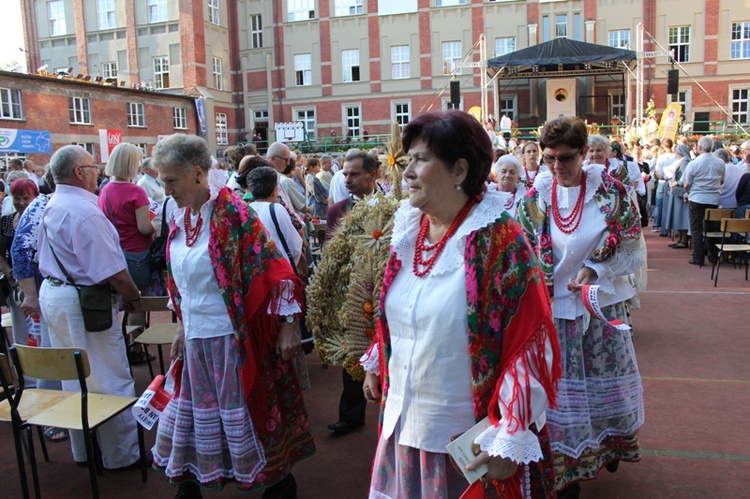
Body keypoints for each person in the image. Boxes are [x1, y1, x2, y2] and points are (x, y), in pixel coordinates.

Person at [361, 110, 561, 498]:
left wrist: (511, 431)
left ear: (459, 171)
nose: (407, 171)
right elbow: (405, 311)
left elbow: (529, 342)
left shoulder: (500, 240)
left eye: (421, 159)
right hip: (402, 429)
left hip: (464, 442)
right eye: (408, 159)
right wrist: (377, 358)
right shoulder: (409, 230)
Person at [150, 134, 314, 499]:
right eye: (163, 181)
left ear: (196, 173)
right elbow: (180, 278)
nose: (166, 189)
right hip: (196, 341)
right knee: (194, 418)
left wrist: (288, 325)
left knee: (248, 415)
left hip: (233, 341)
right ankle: (188, 486)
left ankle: (278, 484)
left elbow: (275, 268)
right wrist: (181, 323)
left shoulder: (233, 213)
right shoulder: (180, 216)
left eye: (171, 180)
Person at [517, 117, 646, 498]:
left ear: (583, 152)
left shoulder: (612, 192)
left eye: (567, 158)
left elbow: (631, 248)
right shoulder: (536, 197)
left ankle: (608, 446)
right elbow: (525, 250)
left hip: (600, 305)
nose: (557, 167)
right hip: (555, 310)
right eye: (550, 158)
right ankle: (566, 466)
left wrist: (596, 268)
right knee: (560, 394)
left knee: (604, 388)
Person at [38, 145, 143, 469]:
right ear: (79, 172)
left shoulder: (55, 203)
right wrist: (134, 296)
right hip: (82, 301)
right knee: (109, 377)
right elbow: (112, 271)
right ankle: (120, 456)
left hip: (55, 295)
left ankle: (85, 450)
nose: (98, 170)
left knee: (76, 378)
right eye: (92, 166)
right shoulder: (84, 211)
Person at [324, 149, 380, 434]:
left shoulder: (396, 205)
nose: (347, 179)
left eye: (354, 174)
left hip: (386, 289)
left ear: (374, 174)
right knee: (353, 353)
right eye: (345, 174)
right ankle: (351, 414)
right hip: (353, 293)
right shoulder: (337, 210)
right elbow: (329, 255)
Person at [98, 143, 156, 363]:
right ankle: (136, 347)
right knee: (136, 301)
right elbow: (144, 228)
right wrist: (155, 227)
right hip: (136, 252)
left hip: (114, 251)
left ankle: (122, 346)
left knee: (119, 303)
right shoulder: (135, 191)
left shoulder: (105, 190)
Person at [0, 178, 40, 386]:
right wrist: (10, 273)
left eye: (27, 197)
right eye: (17, 198)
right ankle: (27, 377)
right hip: (14, 286)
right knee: (21, 331)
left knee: (40, 332)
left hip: (38, 285)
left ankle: (45, 373)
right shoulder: (6, 222)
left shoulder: (41, 220)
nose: (22, 202)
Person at [683, 137, 725, 266]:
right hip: (713, 198)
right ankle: (713, 256)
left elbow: (686, 184)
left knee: (696, 229)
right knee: (712, 228)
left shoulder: (694, 163)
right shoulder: (720, 163)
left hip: (697, 198)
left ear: (699, 148)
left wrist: (690, 191)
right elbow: (722, 181)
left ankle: (698, 257)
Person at [663, 145, 693, 250]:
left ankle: (683, 239)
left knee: (681, 216)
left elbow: (685, 177)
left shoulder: (684, 162)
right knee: (678, 216)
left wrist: (677, 182)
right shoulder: (683, 161)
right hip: (678, 192)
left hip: (680, 192)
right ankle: (680, 239)